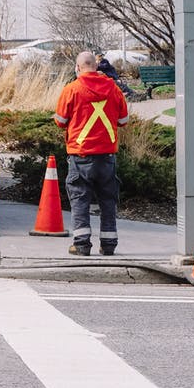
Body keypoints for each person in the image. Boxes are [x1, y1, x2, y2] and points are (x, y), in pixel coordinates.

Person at [54, 51, 129, 256]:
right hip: (107, 156)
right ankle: (109, 245)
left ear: (78, 68)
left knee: (80, 199)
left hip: (81, 155)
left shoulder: (72, 89)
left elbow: (60, 121)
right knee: (108, 200)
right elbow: (123, 121)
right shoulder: (113, 89)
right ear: (95, 67)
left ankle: (81, 245)